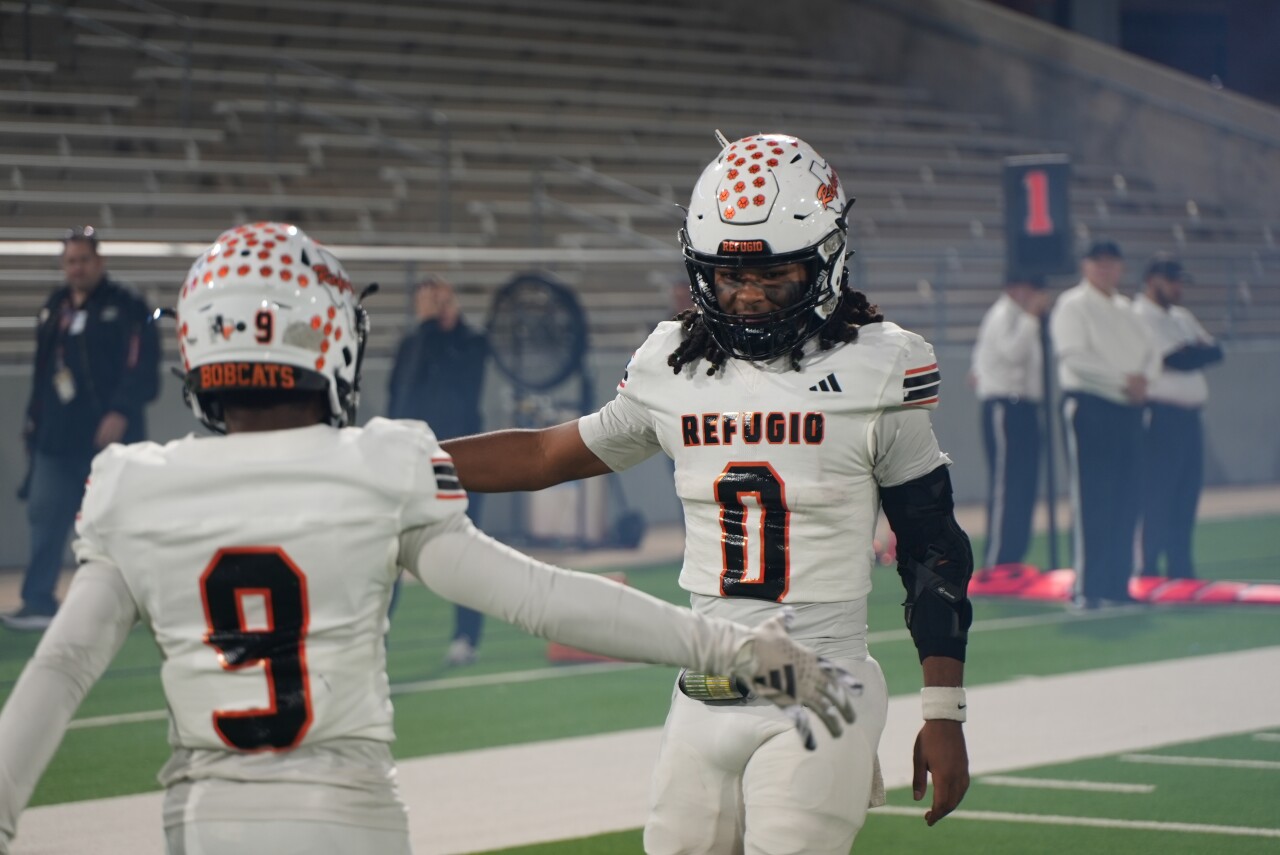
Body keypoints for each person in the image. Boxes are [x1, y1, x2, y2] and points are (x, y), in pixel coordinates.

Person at [0, 222, 859, 855]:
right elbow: (542, 597)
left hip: (204, 825)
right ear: (333, 341)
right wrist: (735, 648)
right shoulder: (380, 464)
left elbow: (61, 669)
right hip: (351, 822)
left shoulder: (135, 483)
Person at [442, 134, 975, 853]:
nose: (749, 296)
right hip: (701, 692)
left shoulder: (876, 366)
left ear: (827, 260)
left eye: (774, 275)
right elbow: (545, 453)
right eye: (729, 276)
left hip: (821, 685)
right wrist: (406, 463)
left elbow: (932, 544)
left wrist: (943, 708)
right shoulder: (674, 365)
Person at [4, 226, 160, 631]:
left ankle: (134, 601)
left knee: (118, 521)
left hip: (109, 441)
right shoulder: (55, 307)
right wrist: (33, 422)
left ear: (99, 261)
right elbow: (44, 372)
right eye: (70, 261)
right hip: (55, 439)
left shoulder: (126, 304)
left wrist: (121, 410)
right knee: (45, 515)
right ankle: (38, 601)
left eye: (84, 260)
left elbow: (144, 365)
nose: (77, 268)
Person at [1050, 239, 1159, 609]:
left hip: (1128, 409)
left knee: (1128, 497)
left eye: (1111, 262)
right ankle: (1089, 586)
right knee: (1093, 498)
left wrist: (1144, 381)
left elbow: (1152, 353)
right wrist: (1124, 381)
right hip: (1091, 405)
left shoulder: (1129, 310)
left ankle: (1117, 584)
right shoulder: (1072, 305)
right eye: (1098, 262)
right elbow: (1074, 358)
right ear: (1085, 266)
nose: (1105, 268)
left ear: (1121, 268)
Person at [388, 276, 490, 666]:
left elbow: (463, 388)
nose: (438, 308)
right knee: (391, 551)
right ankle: (375, 637)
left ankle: (466, 637)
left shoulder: (471, 342)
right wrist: (426, 329)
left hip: (461, 461)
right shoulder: (413, 344)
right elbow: (401, 396)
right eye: (431, 303)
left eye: (443, 300)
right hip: (412, 460)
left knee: (465, 550)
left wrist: (436, 327)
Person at [1133, 255, 1223, 578]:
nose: (1177, 287)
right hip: (1160, 416)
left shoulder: (1182, 317)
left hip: (1189, 417)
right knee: (1157, 496)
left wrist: (1191, 352)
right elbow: (1176, 359)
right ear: (1151, 281)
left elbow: (1216, 350)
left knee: (1186, 494)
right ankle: (1147, 567)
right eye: (1171, 280)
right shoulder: (1140, 314)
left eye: (1179, 281)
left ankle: (1180, 568)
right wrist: (1192, 352)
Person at [970, 274, 1053, 568]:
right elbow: (1013, 353)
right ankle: (998, 560)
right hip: (1005, 406)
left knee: (1025, 486)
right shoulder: (1003, 314)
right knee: (1007, 484)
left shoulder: (1021, 317)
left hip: (1026, 406)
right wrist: (1031, 317)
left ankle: (1014, 557)